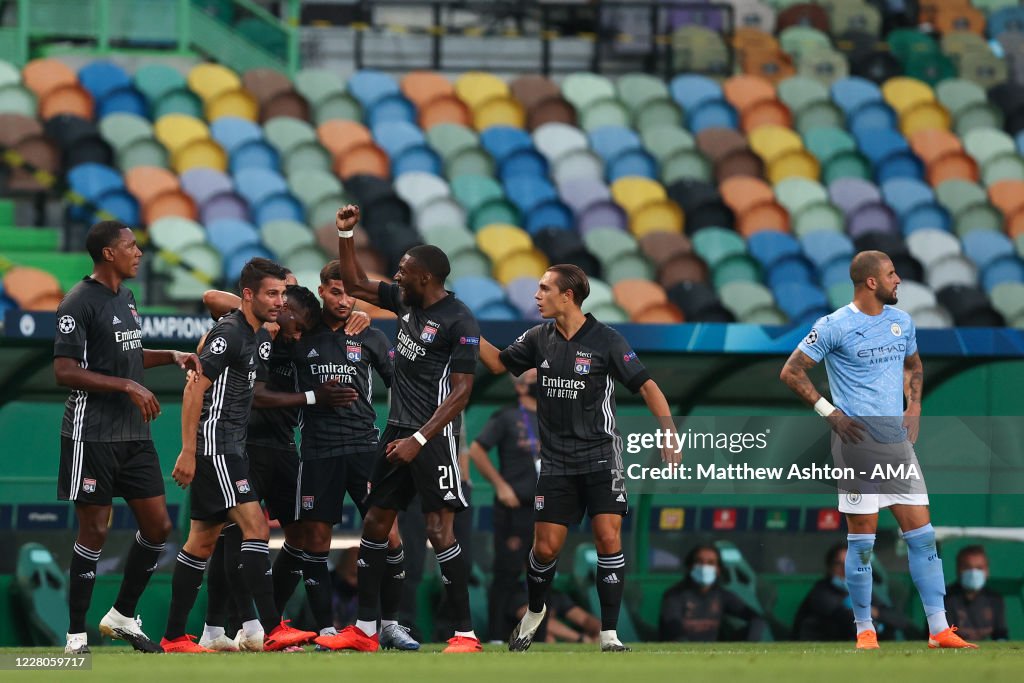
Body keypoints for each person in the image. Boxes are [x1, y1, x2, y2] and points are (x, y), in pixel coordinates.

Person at [780, 249, 976, 650]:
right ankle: (865, 630)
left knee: (922, 536)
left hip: (897, 445)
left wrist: (915, 405)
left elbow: (914, 365)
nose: (898, 279)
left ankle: (939, 630)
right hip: (856, 445)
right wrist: (830, 413)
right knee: (863, 541)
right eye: (891, 274)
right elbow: (792, 370)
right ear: (871, 282)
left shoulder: (901, 322)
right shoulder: (834, 326)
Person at [478, 263, 678, 652]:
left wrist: (669, 431)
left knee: (607, 537)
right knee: (546, 549)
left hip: (602, 457)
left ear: (566, 296)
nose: (536, 296)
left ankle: (609, 634)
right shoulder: (538, 338)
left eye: (543, 289)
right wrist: (467, 333)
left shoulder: (608, 340)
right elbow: (499, 363)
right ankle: (536, 611)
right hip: (556, 463)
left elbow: (648, 386)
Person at [314, 205, 483, 653]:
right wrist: (345, 235)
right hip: (396, 433)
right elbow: (354, 283)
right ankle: (366, 630)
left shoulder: (459, 320)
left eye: (405, 270)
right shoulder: (405, 302)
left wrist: (420, 440)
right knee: (373, 523)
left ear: (426, 277)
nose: (397, 274)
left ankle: (465, 634)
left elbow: (462, 391)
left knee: (437, 530)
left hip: (434, 436)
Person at [54, 220, 201, 654]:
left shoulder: (127, 297)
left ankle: (121, 616)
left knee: (158, 527)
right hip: (91, 434)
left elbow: (128, 354)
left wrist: (171, 355)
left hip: (134, 435)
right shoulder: (77, 302)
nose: (139, 253)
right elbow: (63, 371)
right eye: (131, 246)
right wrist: (129, 386)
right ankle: (76, 634)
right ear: (108, 254)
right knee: (95, 529)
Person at [160, 258, 319, 653]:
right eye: (272, 294)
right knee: (256, 528)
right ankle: (270, 628)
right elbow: (194, 385)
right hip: (217, 445)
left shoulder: (259, 334)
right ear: (248, 295)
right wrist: (188, 450)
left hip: (232, 446)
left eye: (283, 294)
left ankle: (175, 636)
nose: (280, 301)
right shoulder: (229, 333)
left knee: (200, 543)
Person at [196, 275, 360, 650]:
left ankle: (272, 620)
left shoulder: (303, 337)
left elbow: (341, 316)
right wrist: (312, 396)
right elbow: (211, 298)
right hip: (245, 446)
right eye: (294, 325)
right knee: (234, 536)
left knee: (300, 534)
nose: (299, 335)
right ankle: (239, 626)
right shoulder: (256, 332)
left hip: (285, 447)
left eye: (304, 329)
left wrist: (361, 315)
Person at [291, 260, 417, 650]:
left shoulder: (371, 335)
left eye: (350, 293)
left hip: (365, 447)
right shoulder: (299, 331)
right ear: (321, 289)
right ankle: (326, 628)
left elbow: (403, 384)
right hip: (317, 450)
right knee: (315, 538)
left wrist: (406, 433)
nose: (344, 300)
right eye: (335, 291)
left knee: (390, 537)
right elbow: (222, 302)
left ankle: (390, 625)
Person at [468, 370, 540, 641]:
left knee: (541, 574)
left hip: (544, 507)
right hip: (514, 507)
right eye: (534, 380)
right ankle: (498, 634)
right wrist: (500, 485)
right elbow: (476, 449)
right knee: (507, 572)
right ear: (520, 388)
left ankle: (536, 636)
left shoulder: (553, 416)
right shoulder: (507, 416)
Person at [793, 543, 919, 641]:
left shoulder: (861, 589)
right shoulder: (821, 592)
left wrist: (874, 612)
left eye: (849, 563)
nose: (845, 568)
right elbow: (847, 619)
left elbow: (899, 620)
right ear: (830, 568)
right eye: (839, 564)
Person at [659, 545, 767, 642]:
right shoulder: (674, 595)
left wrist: (749, 646)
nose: (704, 567)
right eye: (699, 562)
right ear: (690, 566)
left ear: (718, 569)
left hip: (711, 654)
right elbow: (673, 628)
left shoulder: (722, 595)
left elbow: (756, 618)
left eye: (711, 563)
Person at [944, 545, 1009, 641]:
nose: (973, 573)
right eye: (967, 567)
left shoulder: (994, 599)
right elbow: (941, 636)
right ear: (958, 569)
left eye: (979, 568)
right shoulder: (945, 598)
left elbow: (1001, 635)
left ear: (987, 571)